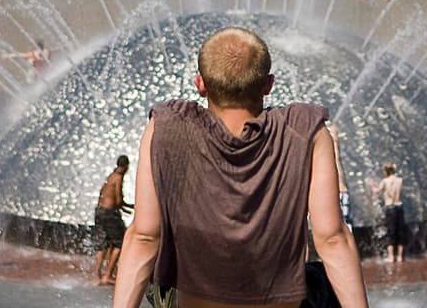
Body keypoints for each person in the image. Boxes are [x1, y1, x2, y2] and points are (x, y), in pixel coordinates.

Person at [111, 27, 368, 308]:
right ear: (268, 85)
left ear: (200, 84)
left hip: (195, 303)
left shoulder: (166, 127)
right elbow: (332, 238)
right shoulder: (305, 130)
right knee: (319, 279)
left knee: (159, 290)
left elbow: (144, 235)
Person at [93, 155, 133, 286]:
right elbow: (118, 199)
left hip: (99, 211)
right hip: (109, 213)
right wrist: (129, 207)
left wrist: (126, 207)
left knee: (102, 244)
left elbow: (103, 194)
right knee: (119, 243)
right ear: (126, 166)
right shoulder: (118, 178)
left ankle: (96, 276)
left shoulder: (110, 176)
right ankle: (108, 275)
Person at [375, 162, 405, 263]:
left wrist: (371, 186)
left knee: (390, 232)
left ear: (386, 171)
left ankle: (391, 257)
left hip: (390, 207)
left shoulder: (385, 181)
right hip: (399, 206)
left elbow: (377, 190)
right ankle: (400, 256)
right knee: (400, 232)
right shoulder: (400, 180)